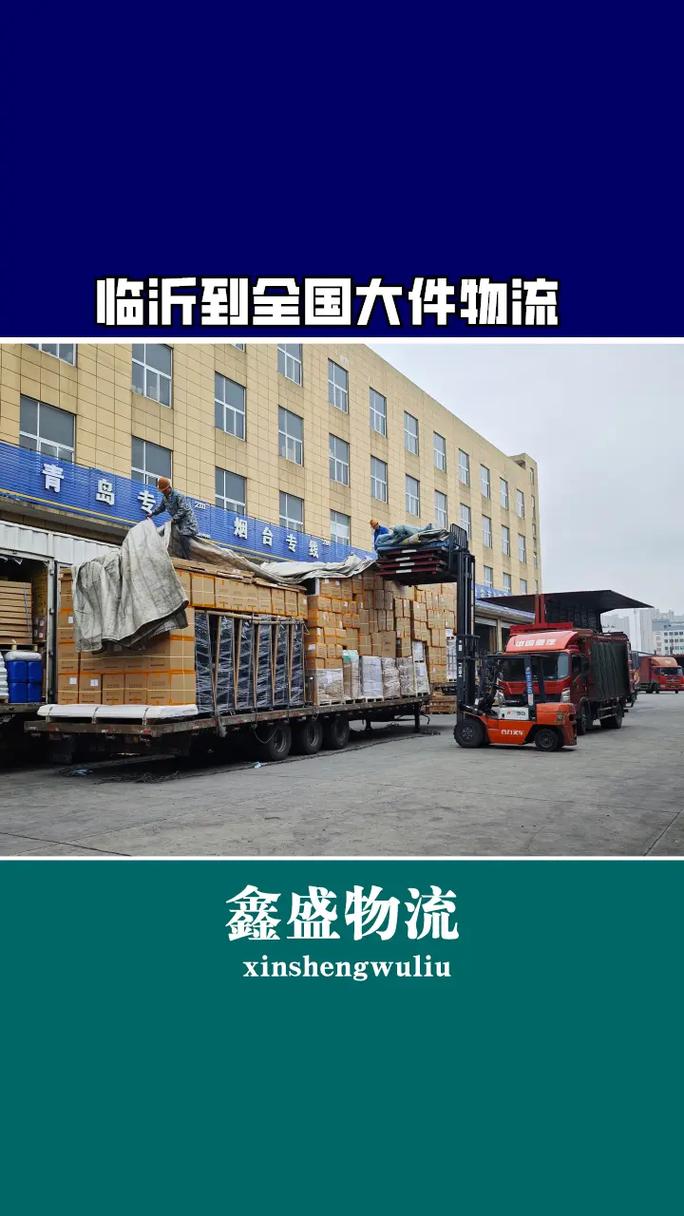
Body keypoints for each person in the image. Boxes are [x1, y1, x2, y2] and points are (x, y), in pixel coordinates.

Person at [148, 477, 199, 558]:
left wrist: (174, 519)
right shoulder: (165, 498)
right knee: (172, 535)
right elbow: (161, 508)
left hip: (187, 521)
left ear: (169, 488)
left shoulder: (178, 496)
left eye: (164, 490)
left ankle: (187, 558)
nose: (163, 492)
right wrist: (152, 513)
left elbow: (183, 509)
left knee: (183, 536)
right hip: (178, 522)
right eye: (162, 491)